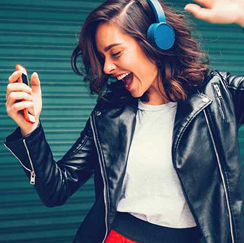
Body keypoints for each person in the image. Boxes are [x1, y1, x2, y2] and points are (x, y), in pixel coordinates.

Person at [4, 0, 244, 242]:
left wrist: (241, 15)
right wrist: (30, 128)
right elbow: (56, 189)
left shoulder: (219, 95)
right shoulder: (110, 111)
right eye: (102, 56)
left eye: (116, 53)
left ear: (157, 41)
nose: (107, 67)